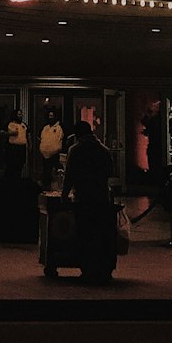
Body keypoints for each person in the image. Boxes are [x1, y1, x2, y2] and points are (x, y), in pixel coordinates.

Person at [61, 118, 115, 284]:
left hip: (83, 197)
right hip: (101, 197)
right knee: (101, 234)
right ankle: (104, 269)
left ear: (78, 135)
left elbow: (69, 174)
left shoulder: (75, 150)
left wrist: (64, 194)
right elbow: (110, 172)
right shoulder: (104, 150)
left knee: (85, 234)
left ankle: (87, 269)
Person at [39, 109, 64, 189]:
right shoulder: (45, 128)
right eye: (49, 116)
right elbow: (40, 138)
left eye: (52, 116)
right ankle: (46, 186)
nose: (50, 118)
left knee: (54, 172)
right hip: (44, 154)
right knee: (46, 172)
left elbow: (61, 139)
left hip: (54, 154)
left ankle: (55, 187)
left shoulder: (59, 127)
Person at [3, 109, 28, 179]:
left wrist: (30, 146)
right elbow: (2, 132)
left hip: (21, 149)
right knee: (11, 167)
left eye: (21, 114)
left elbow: (28, 135)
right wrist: (10, 133)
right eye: (19, 114)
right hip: (12, 149)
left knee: (19, 167)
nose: (21, 116)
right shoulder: (9, 124)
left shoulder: (24, 125)